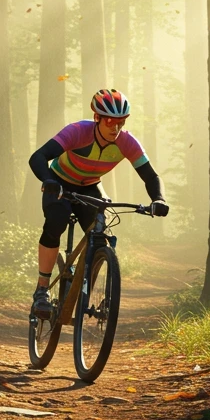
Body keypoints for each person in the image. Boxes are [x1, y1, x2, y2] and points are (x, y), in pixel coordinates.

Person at [27, 88, 168, 319]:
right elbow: (38, 157)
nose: (115, 128)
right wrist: (49, 181)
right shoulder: (78, 132)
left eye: (121, 122)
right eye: (110, 121)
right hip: (61, 183)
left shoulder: (126, 142)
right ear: (97, 118)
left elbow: (151, 176)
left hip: (91, 185)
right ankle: (42, 289)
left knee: (102, 232)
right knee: (56, 220)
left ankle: (87, 287)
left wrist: (158, 199)